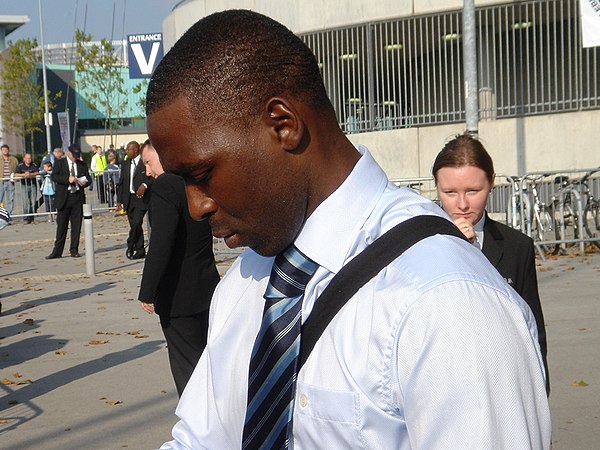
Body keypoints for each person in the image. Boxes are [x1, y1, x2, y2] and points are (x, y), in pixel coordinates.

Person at [146, 10, 551, 449]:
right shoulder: (245, 283)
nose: (196, 205)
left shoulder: (448, 302)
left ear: (283, 126)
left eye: (201, 173)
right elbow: (201, 440)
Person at [432, 131, 550, 394]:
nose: (462, 204)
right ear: (436, 186)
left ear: (492, 182)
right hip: (442, 386)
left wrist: (539, 395)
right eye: (449, 192)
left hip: (503, 385)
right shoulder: (420, 242)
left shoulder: (517, 246)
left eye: (473, 191)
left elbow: (533, 331)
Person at [138, 141, 220, 397]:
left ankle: (198, 427)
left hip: (178, 295)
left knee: (187, 366)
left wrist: (147, 290)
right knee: (209, 360)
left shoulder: (166, 186)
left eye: (149, 163)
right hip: (207, 287)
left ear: (162, 156)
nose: (148, 172)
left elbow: (162, 242)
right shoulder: (194, 181)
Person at [46, 145, 91, 259]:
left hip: (77, 198)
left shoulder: (82, 164)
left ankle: (74, 249)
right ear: (68, 153)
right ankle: (57, 251)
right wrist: (67, 179)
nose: (75, 158)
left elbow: (89, 178)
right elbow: (54, 176)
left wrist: (84, 182)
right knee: (61, 226)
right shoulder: (60, 163)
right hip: (64, 198)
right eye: (73, 156)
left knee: (76, 225)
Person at [116, 140, 152, 259]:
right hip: (129, 199)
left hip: (141, 199)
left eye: (128, 149)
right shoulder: (125, 164)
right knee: (134, 226)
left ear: (135, 150)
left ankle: (130, 243)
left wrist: (145, 185)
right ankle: (140, 249)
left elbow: (152, 178)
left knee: (137, 222)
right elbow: (121, 183)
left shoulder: (144, 163)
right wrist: (119, 200)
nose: (126, 151)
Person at [14, 153, 39, 224]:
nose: (28, 159)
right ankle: (25, 218)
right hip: (24, 185)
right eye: (27, 158)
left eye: (30, 158)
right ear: (24, 159)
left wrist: (30, 174)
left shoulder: (34, 165)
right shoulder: (20, 165)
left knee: (33, 202)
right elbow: (16, 174)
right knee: (25, 202)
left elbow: (37, 172)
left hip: (33, 185)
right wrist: (24, 175)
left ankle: (32, 218)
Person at [0, 144, 18, 218]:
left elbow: (18, 169)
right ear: (1, 151)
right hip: (1, 182)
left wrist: (16, 178)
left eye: (6, 150)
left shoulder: (13, 159)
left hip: (10, 182)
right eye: (3, 150)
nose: (5, 151)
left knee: (10, 200)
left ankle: (8, 216)